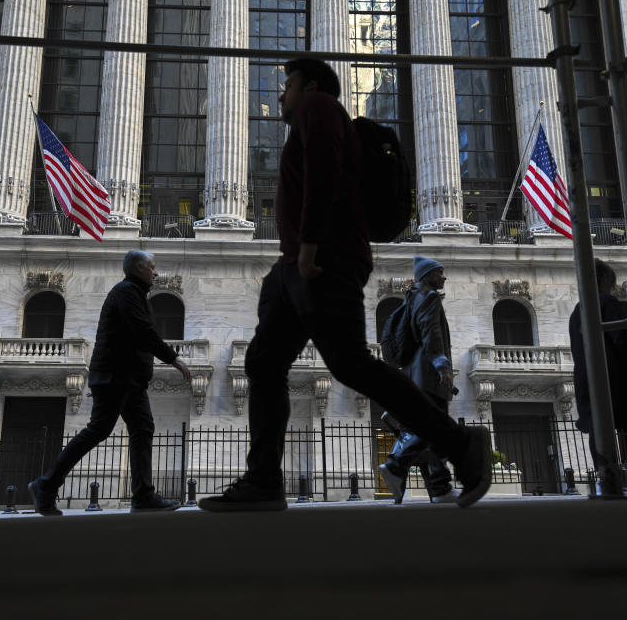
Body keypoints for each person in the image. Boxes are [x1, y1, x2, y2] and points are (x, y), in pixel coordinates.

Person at [198, 58, 491, 512]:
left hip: (324, 259)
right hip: (294, 265)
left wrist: (312, 243)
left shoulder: (320, 107)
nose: (281, 94)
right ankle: (262, 482)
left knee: (350, 364)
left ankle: (460, 445)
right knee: (263, 363)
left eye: (287, 85)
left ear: (310, 85)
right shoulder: (313, 116)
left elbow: (325, 171)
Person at [28, 250, 193, 515]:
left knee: (142, 429)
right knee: (99, 430)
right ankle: (46, 485)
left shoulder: (133, 293)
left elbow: (121, 338)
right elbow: (142, 332)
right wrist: (174, 359)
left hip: (127, 379)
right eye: (152, 267)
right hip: (119, 377)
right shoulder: (126, 292)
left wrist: (102, 379)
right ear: (138, 268)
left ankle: (143, 496)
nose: (156, 272)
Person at [569, 258, 627, 492]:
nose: (613, 287)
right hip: (618, 376)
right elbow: (622, 339)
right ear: (605, 280)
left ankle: (606, 478)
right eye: (612, 282)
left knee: (598, 427)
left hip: (587, 378)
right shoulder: (607, 301)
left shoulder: (577, 310)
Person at [379, 257, 461, 504]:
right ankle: (396, 465)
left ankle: (440, 488)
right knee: (431, 427)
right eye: (439, 272)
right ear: (428, 275)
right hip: (427, 372)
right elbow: (430, 332)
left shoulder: (413, 297)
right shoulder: (428, 296)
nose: (443, 277)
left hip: (417, 372)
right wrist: (442, 366)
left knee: (434, 430)